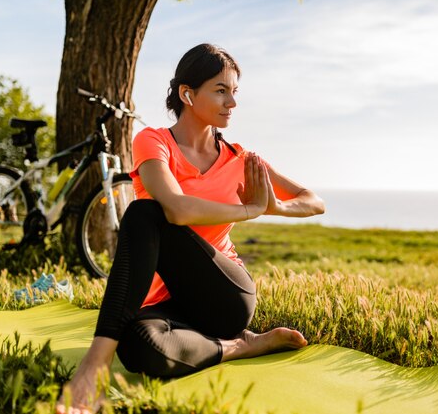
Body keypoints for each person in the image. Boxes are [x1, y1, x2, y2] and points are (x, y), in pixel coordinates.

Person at [56, 43, 325, 414]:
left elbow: (314, 200)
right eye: (220, 90)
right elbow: (177, 209)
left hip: (223, 296)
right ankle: (241, 346)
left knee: (141, 213)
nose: (232, 102)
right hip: (162, 305)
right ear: (187, 93)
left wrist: (276, 206)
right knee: (139, 349)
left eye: (234, 92)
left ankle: (93, 368)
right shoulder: (153, 141)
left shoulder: (240, 158)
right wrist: (249, 208)